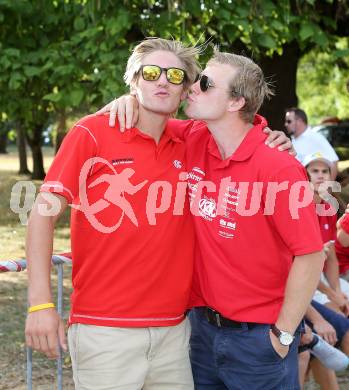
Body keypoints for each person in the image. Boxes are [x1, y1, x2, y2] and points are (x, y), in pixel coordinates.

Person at [24, 38, 291, 390]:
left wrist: (269, 135)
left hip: (176, 334)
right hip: (105, 331)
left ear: (186, 92)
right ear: (133, 82)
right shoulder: (93, 131)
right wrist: (40, 304)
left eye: (175, 75)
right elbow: (42, 216)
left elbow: (238, 124)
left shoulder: (195, 141)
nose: (162, 81)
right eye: (150, 73)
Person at [101, 49, 325, 389]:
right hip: (200, 334)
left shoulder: (277, 165)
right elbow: (147, 117)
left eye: (205, 83)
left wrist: (282, 333)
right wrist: (128, 100)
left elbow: (310, 255)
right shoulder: (193, 138)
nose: (192, 87)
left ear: (236, 102)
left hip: (257, 342)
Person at [303, 152, 349, 315]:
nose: (321, 176)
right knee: (338, 312)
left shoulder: (329, 207)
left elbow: (331, 257)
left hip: (322, 276)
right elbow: (302, 266)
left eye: (325, 171)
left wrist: (336, 289)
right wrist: (332, 295)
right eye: (315, 171)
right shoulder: (299, 209)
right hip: (302, 279)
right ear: (304, 174)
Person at [285, 107, 339, 179]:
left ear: (299, 121)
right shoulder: (293, 140)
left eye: (289, 121)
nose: (285, 124)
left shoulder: (315, 137)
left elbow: (334, 161)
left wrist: (328, 188)